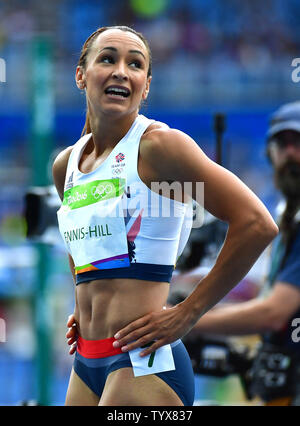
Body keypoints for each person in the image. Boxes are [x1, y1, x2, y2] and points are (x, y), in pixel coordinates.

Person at [53, 25, 278, 406]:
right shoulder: (66, 165)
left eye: (134, 64)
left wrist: (188, 313)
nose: (121, 70)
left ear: (146, 85)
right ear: (81, 75)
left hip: (143, 360)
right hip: (86, 360)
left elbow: (257, 223)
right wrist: (82, 303)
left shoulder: (160, 146)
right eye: (107, 58)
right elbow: (82, 241)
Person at [182, 101, 300, 406]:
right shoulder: (287, 216)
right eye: (282, 144)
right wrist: (195, 309)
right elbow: (269, 301)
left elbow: (274, 313)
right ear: (269, 154)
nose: (291, 153)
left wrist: (185, 320)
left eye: (299, 143)